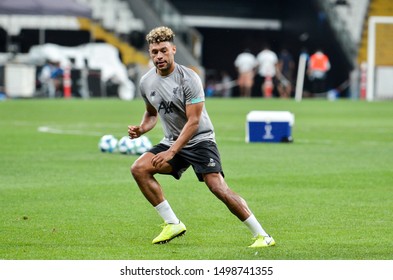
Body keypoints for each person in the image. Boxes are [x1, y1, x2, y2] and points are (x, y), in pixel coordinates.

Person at [128, 26, 275, 248]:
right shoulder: (146, 81)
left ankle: (263, 236)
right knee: (139, 168)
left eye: (163, 50)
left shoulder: (189, 78)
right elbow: (151, 113)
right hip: (172, 142)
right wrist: (141, 128)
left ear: (173, 50)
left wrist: (172, 152)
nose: (158, 56)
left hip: (200, 140)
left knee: (217, 187)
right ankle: (172, 223)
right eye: (154, 52)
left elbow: (194, 121)